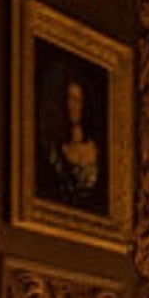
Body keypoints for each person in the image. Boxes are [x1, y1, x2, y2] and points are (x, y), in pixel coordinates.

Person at [42, 68, 103, 208]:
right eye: (68, 99)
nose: (72, 105)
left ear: (84, 104)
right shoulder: (55, 150)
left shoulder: (98, 148)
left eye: (77, 100)